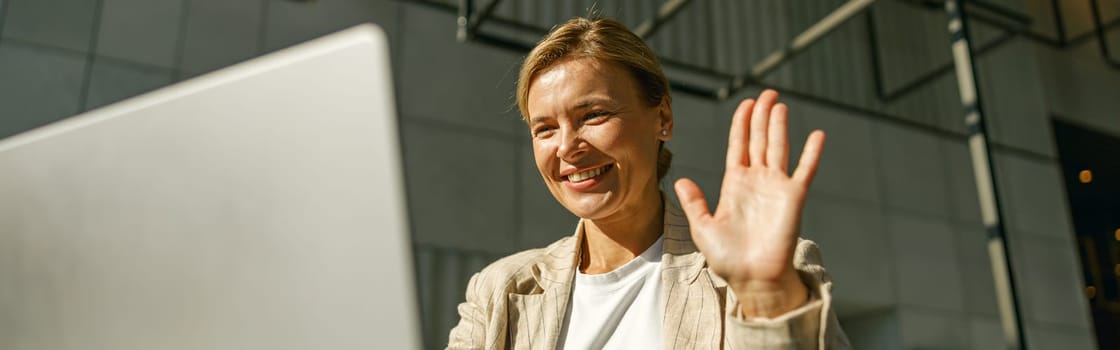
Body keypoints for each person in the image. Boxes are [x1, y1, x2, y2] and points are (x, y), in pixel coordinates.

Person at [447, 17, 850, 349]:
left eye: (593, 115)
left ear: (662, 119)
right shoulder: (498, 290)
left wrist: (769, 298)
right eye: (545, 129)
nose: (567, 147)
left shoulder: (769, 272)